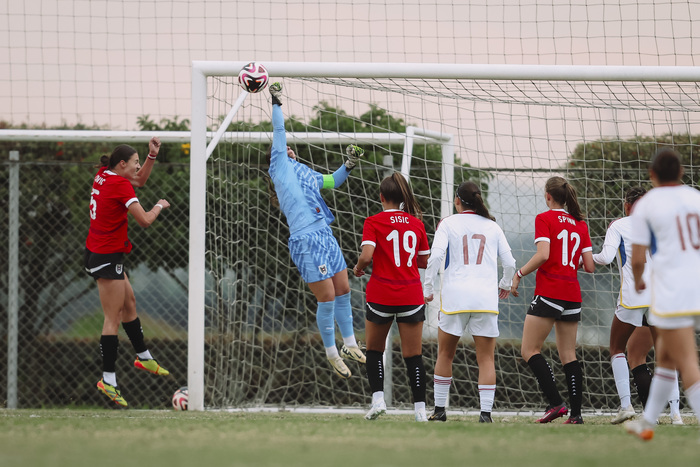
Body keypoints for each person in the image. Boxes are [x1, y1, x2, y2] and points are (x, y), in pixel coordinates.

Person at [266, 82, 366, 378]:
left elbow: (333, 181)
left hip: (325, 233)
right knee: (326, 297)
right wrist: (276, 102)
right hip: (305, 240)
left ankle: (349, 343)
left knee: (344, 289)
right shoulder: (279, 168)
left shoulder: (305, 172)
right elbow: (280, 132)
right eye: (283, 149)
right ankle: (332, 353)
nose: (288, 149)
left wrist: (349, 164)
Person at [85, 137, 171, 407]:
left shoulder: (104, 175)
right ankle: (108, 380)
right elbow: (145, 220)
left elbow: (139, 181)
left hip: (102, 251)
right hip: (106, 255)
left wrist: (150, 156)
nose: (137, 168)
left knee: (129, 303)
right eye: (134, 164)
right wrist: (159, 205)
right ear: (121, 164)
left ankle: (144, 357)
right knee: (113, 318)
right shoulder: (120, 184)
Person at [423, 181, 516, 423]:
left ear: (457, 201)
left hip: (455, 297)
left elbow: (435, 257)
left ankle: (440, 411)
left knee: (445, 354)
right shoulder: (493, 226)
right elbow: (510, 263)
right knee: (485, 358)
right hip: (485, 299)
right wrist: (505, 284)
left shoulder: (448, 223)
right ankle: (485, 414)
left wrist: (428, 287)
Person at [625, 148, 700, 440]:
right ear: (681, 172)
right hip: (696, 286)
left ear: (652, 175)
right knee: (666, 357)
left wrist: (640, 281)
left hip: (673, 291)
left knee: (687, 362)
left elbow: (638, 258)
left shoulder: (647, 204)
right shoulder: (696, 197)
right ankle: (647, 423)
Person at [592, 187, 682, 425]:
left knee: (616, 348)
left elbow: (606, 257)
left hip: (634, 295)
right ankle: (676, 415)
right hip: (660, 296)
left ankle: (626, 406)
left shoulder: (619, 225)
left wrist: (584, 259)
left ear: (627, 204)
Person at [510, 176, 594, 424]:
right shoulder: (581, 224)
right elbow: (589, 266)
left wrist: (519, 273)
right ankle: (577, 415)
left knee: (529, 350)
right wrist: (568, 261)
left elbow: (543, 254)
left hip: (550, 291)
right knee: (569, 354)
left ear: (548, 195)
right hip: (572, 294)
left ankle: (556, 403)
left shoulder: (544, 218)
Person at [352, 172, 431, 422]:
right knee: (413, 355)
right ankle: (419, 410)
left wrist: (358, 267)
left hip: (381, 294)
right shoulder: (417, 224)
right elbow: (424, 261)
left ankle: (378, 401)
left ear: (382, 196)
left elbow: (366, 255)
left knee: (374, 350)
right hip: (410, 293)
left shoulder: (372, 222)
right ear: (401, 198)